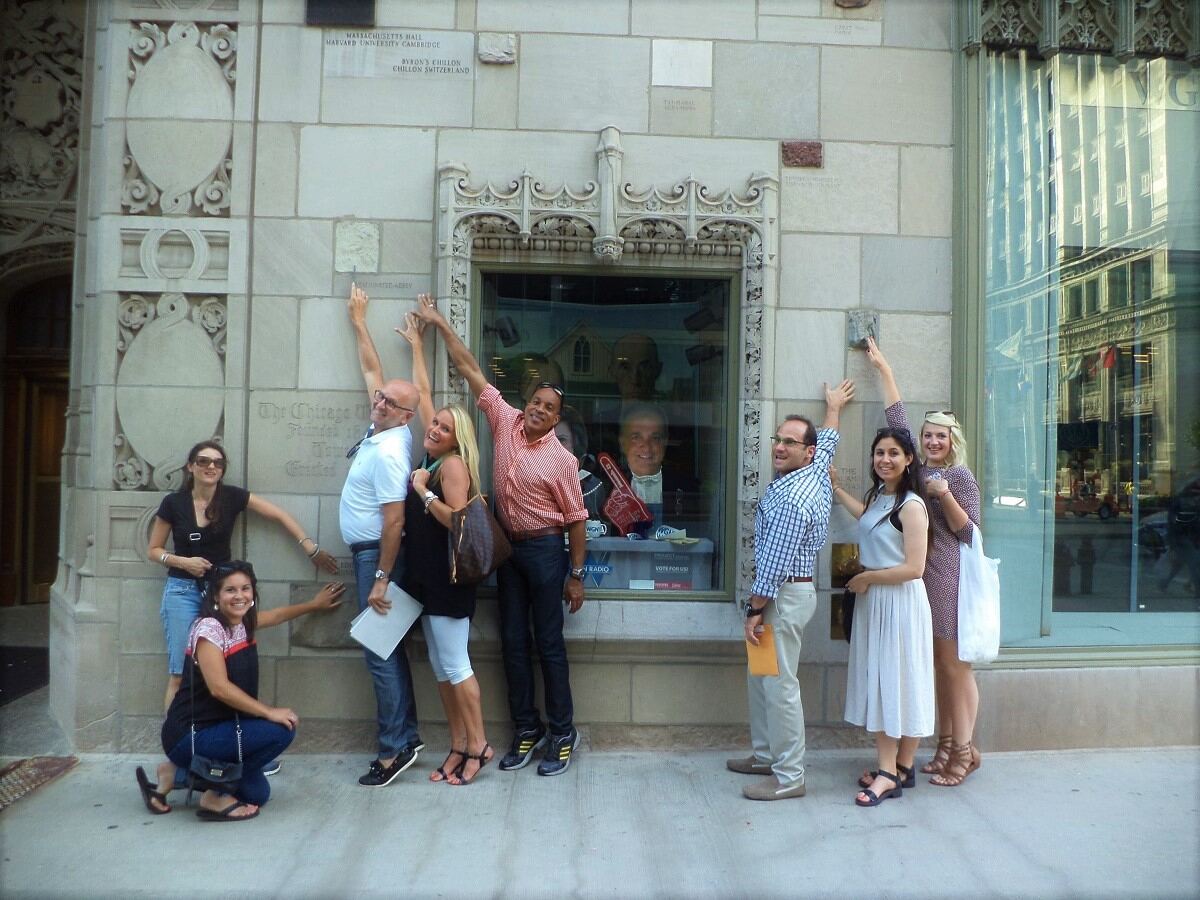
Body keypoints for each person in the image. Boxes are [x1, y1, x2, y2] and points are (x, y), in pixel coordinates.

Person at [414, 294, 588, 777]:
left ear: (557, 417)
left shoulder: (563, 460)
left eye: (548, 408)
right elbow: (469, 368)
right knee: (513, 642)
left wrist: (576, 576)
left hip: (547, 552)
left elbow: (576, 518)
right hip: (506, 550)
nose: (537, 410)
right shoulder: (505, 421)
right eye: (534, 401)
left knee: (548, 644)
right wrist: (438, 322)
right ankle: (526, 729)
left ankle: (562, 733)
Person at [135, 561, 344, 820]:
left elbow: (277, 615)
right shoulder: (209, 629)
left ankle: (175, 774)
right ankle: (214, 792)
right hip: (191, 734)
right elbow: (220, 689)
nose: (240, 596)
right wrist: (269, 712)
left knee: (257, 795)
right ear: (216, 596)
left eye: (245, 589)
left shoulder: (243, 623)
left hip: (223, 728)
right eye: (230, 590)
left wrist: (313, 605)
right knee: (282, 730)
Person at [864, 336, 983, 787]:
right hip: (920, 576)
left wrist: (947, 496)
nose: (933, 441)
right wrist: (885, 370)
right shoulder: (917, 470)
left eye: (941, 436)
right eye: (928, 435)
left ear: (953, 442)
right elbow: (897, 420)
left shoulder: (959, 477)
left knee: (955, 665)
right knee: (936, 664)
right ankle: (947, 744)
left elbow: (970, 533)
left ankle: (964, 751)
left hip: (948, 575)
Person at [729, 381, 854, 801]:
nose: (779, 446)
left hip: (780, 598)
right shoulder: (814, 472)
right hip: (787, 596)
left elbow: (774, 564)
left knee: (780, 685)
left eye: (790, 442)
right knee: (762, 677)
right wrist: (833, 408)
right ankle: (765, 755)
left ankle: (789, 776)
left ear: (807, 452)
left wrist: (754, 608)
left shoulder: (790, 499)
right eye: (777, 438)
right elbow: (829, 441)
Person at [147, 441, 338, 712]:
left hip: (221, 591)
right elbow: (153, 550)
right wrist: (182, 562)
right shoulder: (173, 503)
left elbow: (279, 515)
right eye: (203, 461)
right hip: (182, 590)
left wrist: (309, 546)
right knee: (181, 673)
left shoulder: (232, 497)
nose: (211, 466)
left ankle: (214, 735)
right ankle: (176, 740)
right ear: (191, 467)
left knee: (226, 667)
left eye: (217, 462)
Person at [396, 308, 494, 785]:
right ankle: (457, 744)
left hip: (449, 582)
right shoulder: (431, 456)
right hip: (427, 582)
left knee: (456, 665)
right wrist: (418, 344)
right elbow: (425, 398)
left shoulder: (450, 467)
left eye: (443, 428)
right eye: (433, 425)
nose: (433, 429)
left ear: (458, 439)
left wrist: (423, 491)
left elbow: (457, 520)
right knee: (440, 668)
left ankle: (479, 745)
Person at [342, 283, 423, 787]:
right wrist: (358, 321)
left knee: (380, 654)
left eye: (389, 402)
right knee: (383, 651)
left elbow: (395, 520)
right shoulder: (382, 429)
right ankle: (404, 738)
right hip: (367, 554)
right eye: (379, 398)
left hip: (376, 556)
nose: (378, 401)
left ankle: (395, 749)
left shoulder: (394, 451)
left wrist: (379, 578)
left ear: (405, 415)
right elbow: (374, 371)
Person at [832, 428, 934, 807]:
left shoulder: (911, 505)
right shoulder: (879, 497)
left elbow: (914, 568)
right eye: (879, 453)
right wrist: (838, 489)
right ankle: (903, 767)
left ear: (909, 459)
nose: (885, 459)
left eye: (894, 453)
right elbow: (868, 518)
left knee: (891, 682)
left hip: (899, 603)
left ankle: (888, 773)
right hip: (878, 603)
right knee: (896, 680)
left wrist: (867, 577)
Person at [612, 403, 703, 536]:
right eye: (636, 437)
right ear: (622, 443)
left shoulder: (687, 488)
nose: (646, 446)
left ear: (665, 441)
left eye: (655, 438)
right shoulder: (608, 488)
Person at [554, 405, 607, 520]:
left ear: (576, 445)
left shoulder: (591, 486)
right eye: (548, 439)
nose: (554, 447)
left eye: (561, 440)